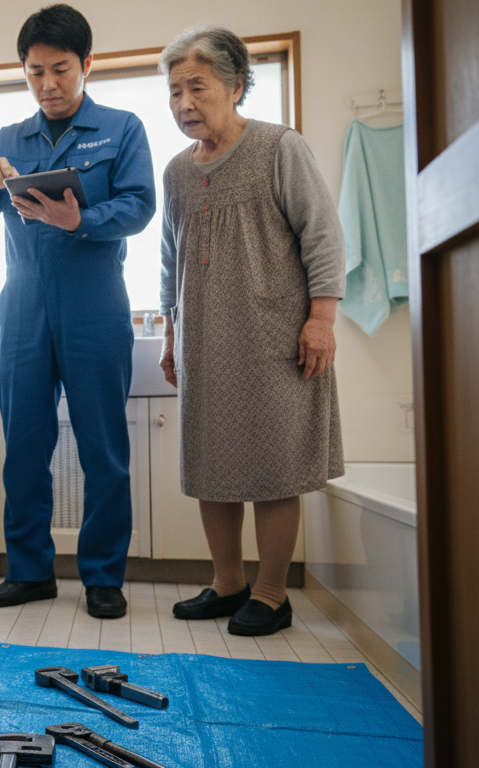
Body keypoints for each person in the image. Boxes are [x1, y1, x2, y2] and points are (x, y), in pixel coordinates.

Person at [0, 4, 156, 619]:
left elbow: (142, 206)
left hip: (95, 302)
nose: (48, 84)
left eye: (61, 70)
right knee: (25, 444)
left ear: (87, 65)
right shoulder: (6, 140)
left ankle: (102, 577)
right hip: (22, 307)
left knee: (102, 445)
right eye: (35, 71)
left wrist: (83, 220)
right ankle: (31, 571)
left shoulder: (122, 127)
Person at [157, 25, 345, 637]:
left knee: (271, 465)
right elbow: (169, 257)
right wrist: (169, 334)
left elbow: (323, 235)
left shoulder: (278, 147)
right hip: (203, 342)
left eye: (198, 88)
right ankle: (227, 583)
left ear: (236, 85)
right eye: (175, 90)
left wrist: (322, 319)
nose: (185, 103)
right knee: (211, 463)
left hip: (272, 339)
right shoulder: (177, 172)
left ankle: (271, 594)